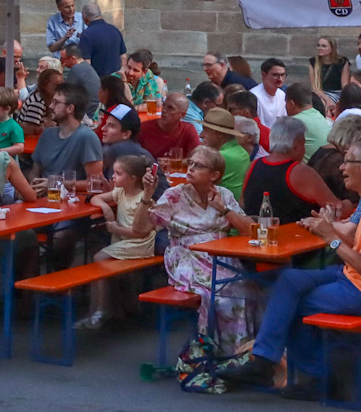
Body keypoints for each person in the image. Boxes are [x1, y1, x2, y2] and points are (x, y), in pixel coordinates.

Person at [222, 148, 361, 390]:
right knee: (288, 280)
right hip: (348, 274)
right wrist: (327, 227)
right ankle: (267, 362)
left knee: (290, 304)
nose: (341, 167)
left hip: (356, 286)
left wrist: (331, 237)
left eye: (348, 161)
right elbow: (352, 239)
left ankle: (318, 377)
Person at [150, 145, 257, 348]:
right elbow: (143, 228)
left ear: (214, 175)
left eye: (198, 166)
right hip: (186, 256)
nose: (190, 168)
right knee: (216, 295)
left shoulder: (223, 196)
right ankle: (211, 352)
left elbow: (248, 230)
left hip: (219, 256)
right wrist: (147, 196)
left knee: (245, 290)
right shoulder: (174, 195)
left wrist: (223, 209)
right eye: (190, 163)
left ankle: (241, 353)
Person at [83, 153, 159, 328]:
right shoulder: (120, 192)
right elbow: (96, 197)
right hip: (123, 241)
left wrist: (117, 229)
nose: (113, 176)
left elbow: (142, 233)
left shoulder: (145, 201)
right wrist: (105, 208)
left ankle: (101, 310)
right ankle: (125, 307)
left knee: (99, 259)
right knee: (107, 260)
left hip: (139, 244)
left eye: (118, 173)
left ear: (132, 179)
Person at [240, 115, 336, 223]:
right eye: (303, 143)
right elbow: (336, 207)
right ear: (296, 144)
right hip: (296, 237)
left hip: (255, 236)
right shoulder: (300, 172)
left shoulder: (253, 165)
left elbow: (243, 203)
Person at [31, 83, 102, 185]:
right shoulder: (47, 134)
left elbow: (95, 183)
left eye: (56, 102)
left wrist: (56, 184)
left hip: (69, 199)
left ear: (70, 108)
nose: (51, 106)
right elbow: (35, 172)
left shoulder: (87, 137)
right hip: (40, 197)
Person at [199, 105, 252, 197]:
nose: (201, 135)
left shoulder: (220, 156)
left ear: (219, 134)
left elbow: (195, 185)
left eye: (205, 130)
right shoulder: (241, 151)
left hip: (220, 207)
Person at [139, 93, 199, 161]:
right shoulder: (143, 128)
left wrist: (173, 163)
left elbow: (197, 157)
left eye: (170, 108)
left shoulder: (188, 130)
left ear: (182, 115)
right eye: (164, 105)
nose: (164, 110)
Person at [286, 82, 334, 157]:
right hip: (324, 164)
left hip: (308, 167)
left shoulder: (294, 122)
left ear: (291, 104)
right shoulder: (320, 116)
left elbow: (276, 150)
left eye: (285, 103)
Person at [78, 4, 125, 78]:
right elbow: (123, 56)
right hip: (116, 79)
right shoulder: (115, 30)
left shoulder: (86, 35)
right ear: (100, 14)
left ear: (85, 17)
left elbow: (86, 63)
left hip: (99, 81)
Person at [250, 57, 289, 128]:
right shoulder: (254, 95)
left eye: (282, 75)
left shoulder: (282, 95)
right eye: (275, 75)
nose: (280, 79)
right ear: (263, 75)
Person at [312, 36, 350, 103]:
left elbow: (345, 86)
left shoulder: (342, 62)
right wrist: (327, 99)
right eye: (318, 45)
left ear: (332, 48)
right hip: (321, 93)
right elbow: (315, 87)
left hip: (338, 93)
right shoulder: (314, 62)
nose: (320, 48)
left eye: (324, 46)